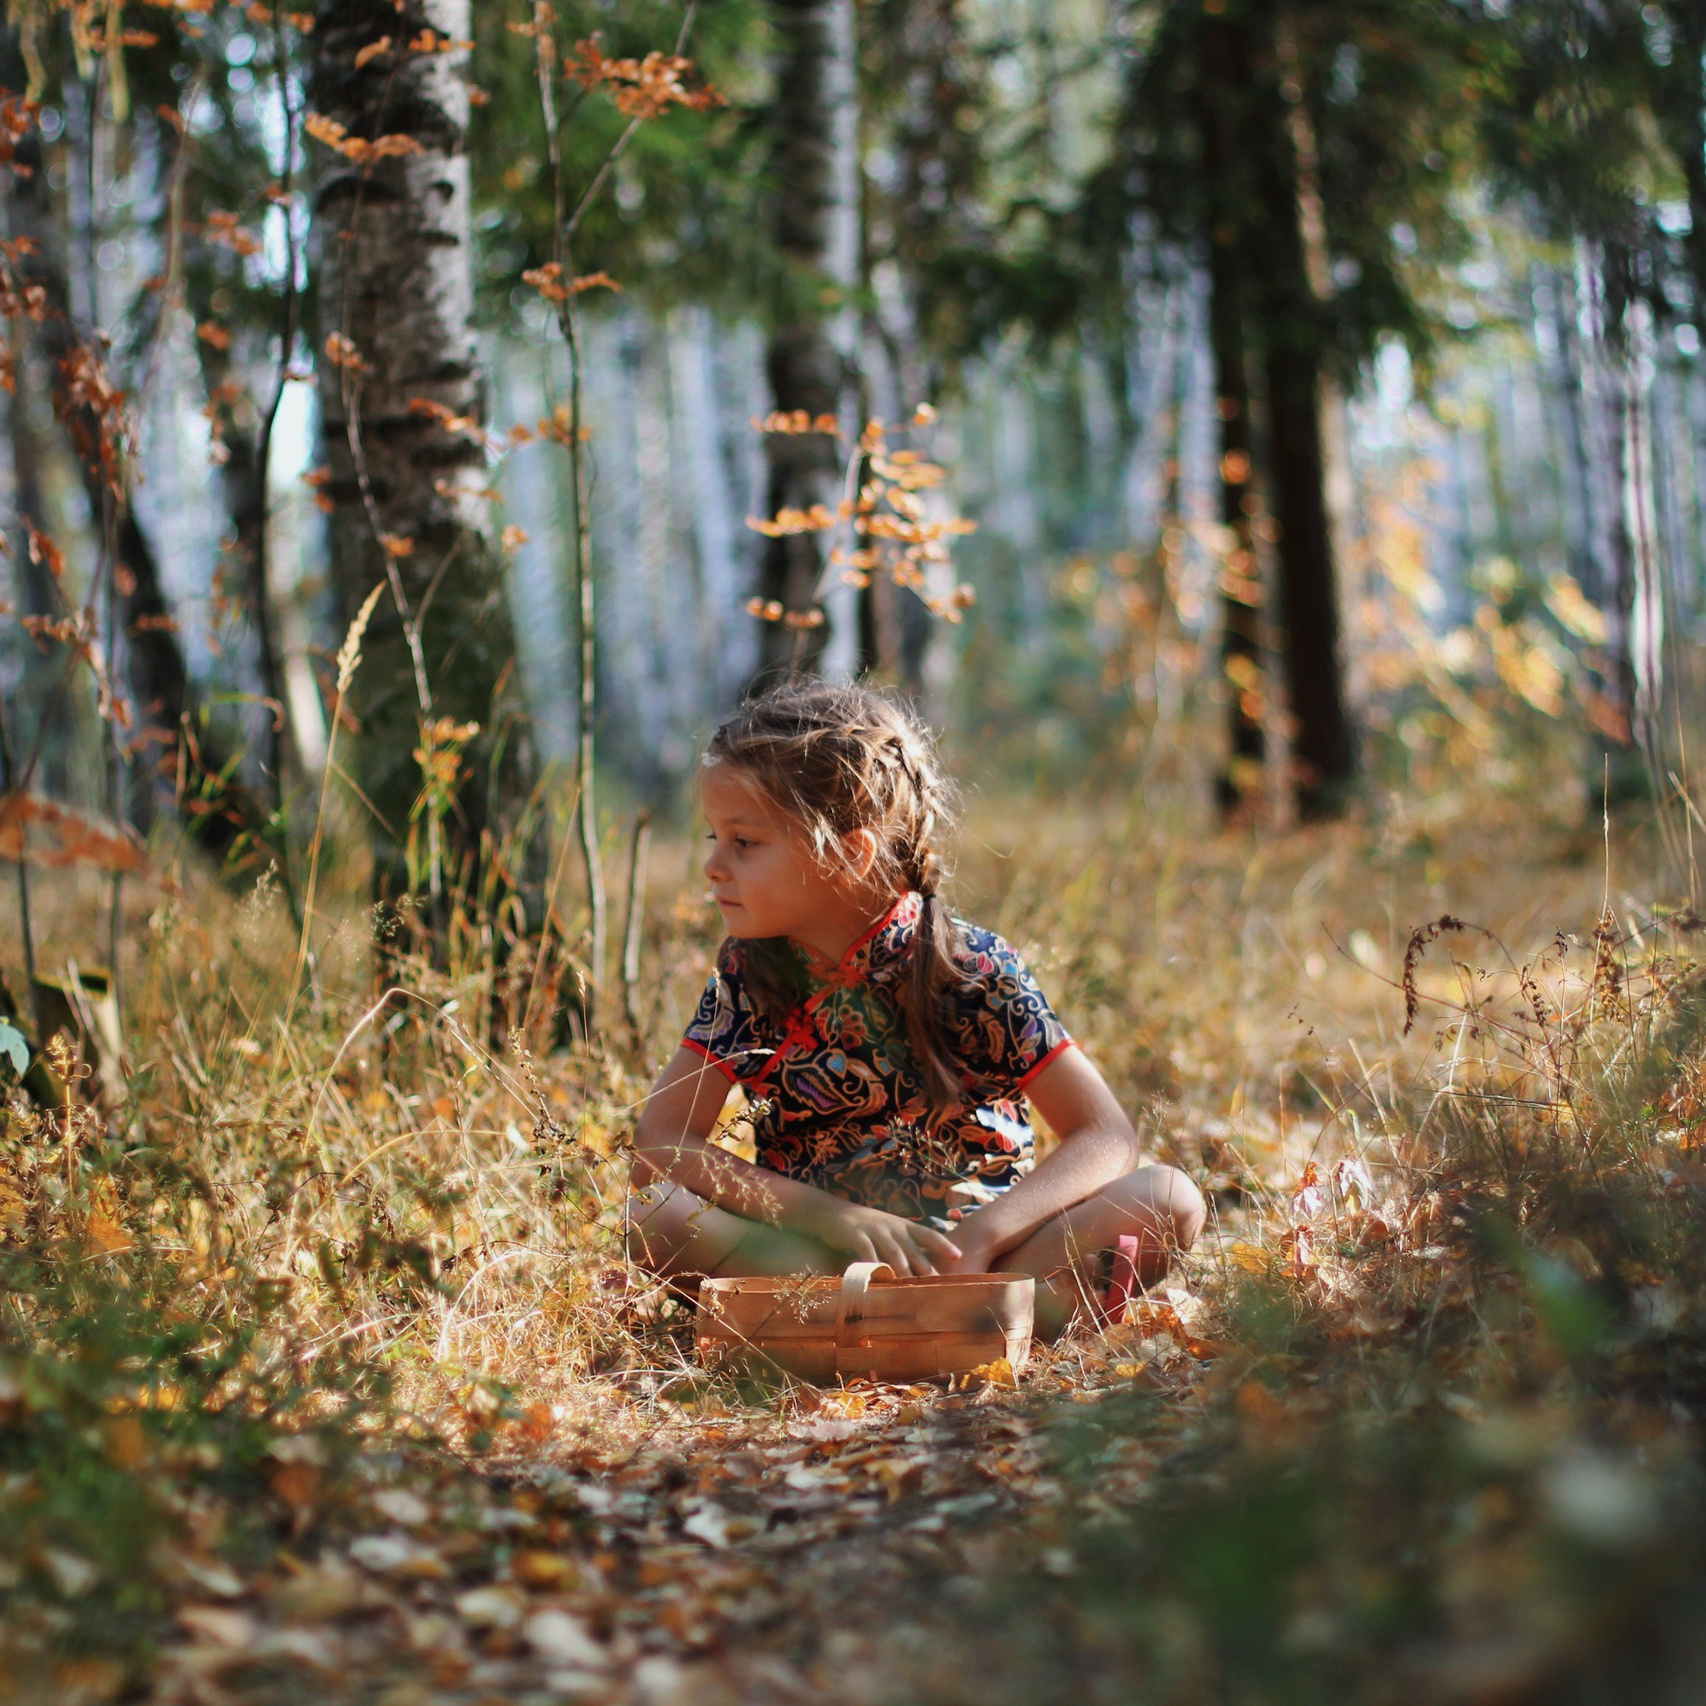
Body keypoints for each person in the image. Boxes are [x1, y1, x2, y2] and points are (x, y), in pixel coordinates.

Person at [626, 680, 1205, 1337]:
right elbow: (661, 1143)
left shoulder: (976, 968)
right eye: (713, 837)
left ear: (849, 852)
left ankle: (846, 1334)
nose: (712, 865)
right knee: (653, 1214)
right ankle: (947, 1331)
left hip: (979, 1264)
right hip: (815, 1263)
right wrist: (825, 1216)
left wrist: (984, 1239)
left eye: (744, 842)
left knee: (1168, 1200)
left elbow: (1107, 1135)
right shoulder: (749, 972)